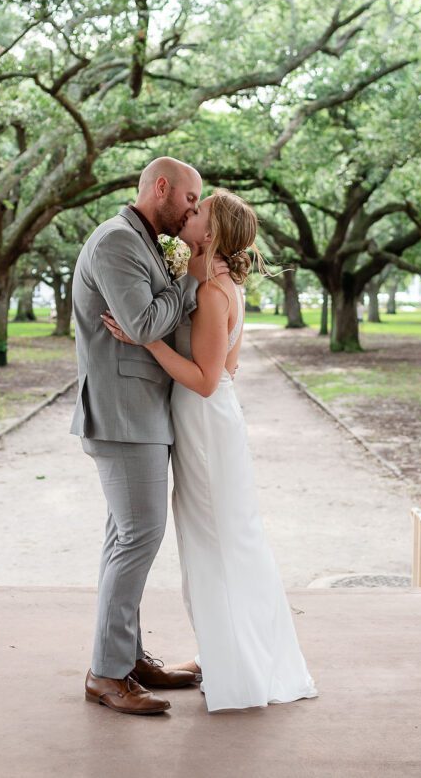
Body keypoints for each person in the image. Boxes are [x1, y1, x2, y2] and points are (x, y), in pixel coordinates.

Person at [102, 189, 317, 712]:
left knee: (214, 542)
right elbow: (226, 366)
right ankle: (228, 650)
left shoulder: (215, 291)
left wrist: (145, 340)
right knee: (216, 540)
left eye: (198, 212)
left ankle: (238, 661)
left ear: (213, 232)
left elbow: (205, 379)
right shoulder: (210, 283)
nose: (188, 214)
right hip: (207, 422)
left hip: (204, 425)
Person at [71, 156, 222, 715]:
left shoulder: (142, 240)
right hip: (122, 415)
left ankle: (128, 658)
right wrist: (189, 280)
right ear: (162, 188)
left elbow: (147, 322)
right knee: (138, 538)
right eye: (189, 199)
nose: (191, 209)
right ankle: (106, 674)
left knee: (125, 540)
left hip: (141, 413)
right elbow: (140, 326)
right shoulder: (116, 242)